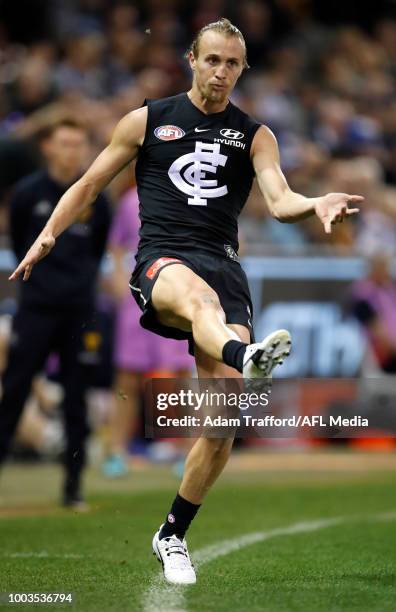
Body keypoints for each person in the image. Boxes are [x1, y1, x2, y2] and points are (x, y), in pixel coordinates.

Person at [9, 19, 362, 583]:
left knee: (222, 424)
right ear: (191, 59)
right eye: (213, 60)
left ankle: (171, 534)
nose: (221, 72)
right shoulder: (147, 120)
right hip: (164, 260)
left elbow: (280, 198)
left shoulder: (255, 134)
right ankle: (248, 357)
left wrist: (316, 203)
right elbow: (89, 184)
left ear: (243, 69)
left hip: (225, 266)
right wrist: (49, 234)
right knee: (199, 303)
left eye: (232, 64)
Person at [2, 118, 112, 509]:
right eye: (65, 143)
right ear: (48, 147)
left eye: (78, 144)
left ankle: (73, 486)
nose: (72, 151)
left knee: (76, 399)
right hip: (36, 309)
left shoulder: (96, 199)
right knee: (14, 389)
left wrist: (77, 286)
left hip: (79, 312)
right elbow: (19, 244)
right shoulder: (28, 194)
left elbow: (97, 250)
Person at [103, 186, 193, 477]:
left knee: (181, 376)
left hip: (176, 292)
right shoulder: (130, 199)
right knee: (127, 377)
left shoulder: (188, 192)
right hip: (136, 296)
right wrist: (118, 282)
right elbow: (116, 244)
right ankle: (116, 452)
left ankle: (188, 452)